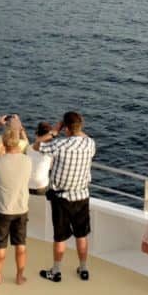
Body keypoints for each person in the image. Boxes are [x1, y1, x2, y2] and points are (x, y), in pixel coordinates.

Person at [37, 110, 96, 283]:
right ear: (80, 126)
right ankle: (83, 269)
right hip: (82, 196)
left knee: (60, 236)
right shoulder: (90, 144)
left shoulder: (60, 145)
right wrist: (73, 128)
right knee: (81, 235)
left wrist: (55, 130)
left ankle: (56, 271)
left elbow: (37, 145)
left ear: (66, 129)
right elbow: (82, 136)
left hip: (61, 198)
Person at [0, 128, 33, 285]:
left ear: (4, 143)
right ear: (18, 142)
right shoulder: (27, 160)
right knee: (21, 244)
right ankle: (20, 276)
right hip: (21, 209)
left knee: (0, 245)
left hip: (2, 209)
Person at [27, 121, 55, 195]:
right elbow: (50, 167)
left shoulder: (28, 148)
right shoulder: (51, 152)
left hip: (27, 184)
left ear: (36, 134)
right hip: (41, 185)